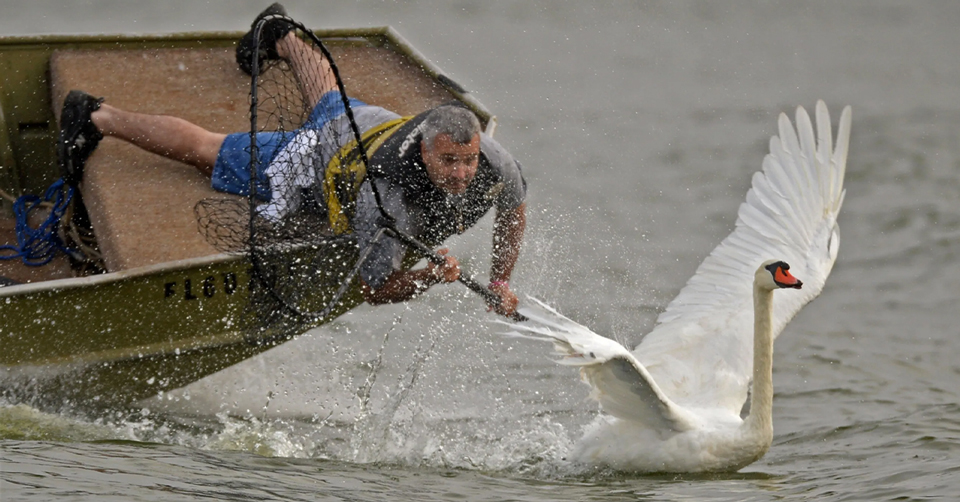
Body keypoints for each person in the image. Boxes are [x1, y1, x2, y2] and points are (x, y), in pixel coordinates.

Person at [56, 3, 526, 316]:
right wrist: (428, 279)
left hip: (366, 122)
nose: (463, 174)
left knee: (328, 98)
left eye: (467, 161)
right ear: (425, 149)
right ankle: (98, 116)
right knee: (208, 151)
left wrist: (500, 281)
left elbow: (514, 208)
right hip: (318, 157)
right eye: (449, 162)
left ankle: (281, 35)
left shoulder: (494, 159)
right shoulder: (384, 198)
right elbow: (376, 289)